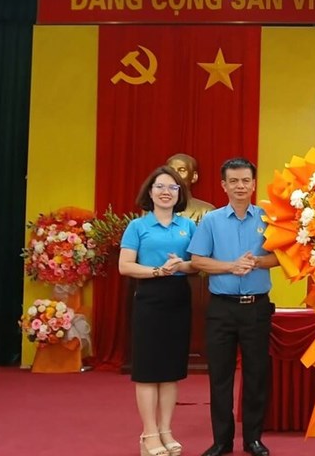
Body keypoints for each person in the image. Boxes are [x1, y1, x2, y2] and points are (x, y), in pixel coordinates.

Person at [187, 157, 279, 456]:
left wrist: (256, 262)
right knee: (220, 375)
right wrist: (230, 266)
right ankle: (221, 441)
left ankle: (253, 439)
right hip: (221, 309)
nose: (240, 186)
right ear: (224, 185)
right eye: (234, 181)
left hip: (256, 308)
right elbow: (198, 261)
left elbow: (282, 257)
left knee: (256, 375)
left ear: (254, 184)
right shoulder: (211, 220)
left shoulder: (268, 218)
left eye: (245, 181)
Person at [119, 165, 198, 456]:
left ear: (180, 194)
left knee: (171, 370)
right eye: (160, 187)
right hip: (150, 297)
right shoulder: (138, 227)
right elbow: (125, 265)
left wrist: (181, 265)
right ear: (149, 192)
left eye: (172, 188)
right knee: (148, 370)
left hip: (179, 297)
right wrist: (157, 271)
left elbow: (197, 264)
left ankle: (166, 430)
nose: (166, 192)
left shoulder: (188, 226)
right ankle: (148, 433)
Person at [167, 153, 215, 220]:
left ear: (194, 177)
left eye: (181, 170)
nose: (175, 175)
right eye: (171, 170)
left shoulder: (206, 211)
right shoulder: (152, 210)